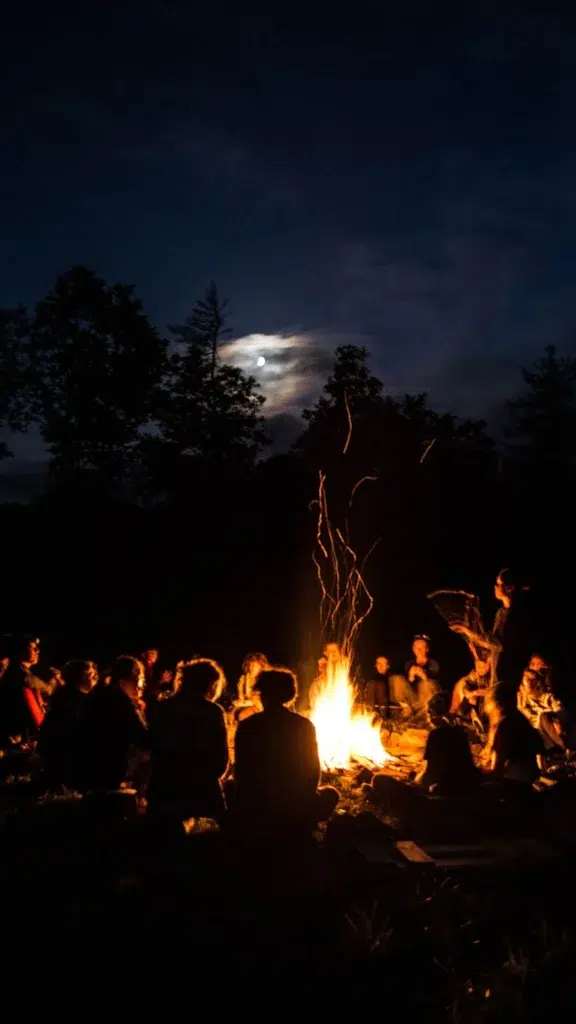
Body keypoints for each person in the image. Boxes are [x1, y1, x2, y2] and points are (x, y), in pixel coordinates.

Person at [231, 667, 338, 835]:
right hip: (295, 803)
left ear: (261, 694)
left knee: (229, 788)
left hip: (258, 803)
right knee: (331, 793)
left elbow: (241, 770)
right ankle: (301, 821)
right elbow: (312, 769)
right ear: (290, 695)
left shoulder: (247, 725)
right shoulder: (304, 725)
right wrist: (306, 798)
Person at [148, 658, 229, 822]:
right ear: (210, 684)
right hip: (202, 789)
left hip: (166, 788)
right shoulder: (212, 711)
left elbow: (155, 746)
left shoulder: (164, 707)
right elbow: (221, 757)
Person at [82, 655, 149, 791]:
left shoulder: (97, 694)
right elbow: (142, 738)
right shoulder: (122, 702)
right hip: (109, 766)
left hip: (86, 764)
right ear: (127, 679)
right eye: (140, 680)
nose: (142, 686)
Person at [38, 659, 98, 789]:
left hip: (59, 758)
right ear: (83, 677)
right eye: (93, 676)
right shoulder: (77, 701)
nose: (96, 680)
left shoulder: (64, 695)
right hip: (67, 762)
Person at [415, 692, 481, 795]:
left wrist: (415, 781)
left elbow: (428, 770)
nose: (428, 717)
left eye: (429, 713)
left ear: (434, 714)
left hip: (445, 786)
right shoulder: (461, 733)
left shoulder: (435, 734)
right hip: (466, 784)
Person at [483, 682, 544, 786]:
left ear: (496, 704)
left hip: (516, 782)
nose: (486, 707)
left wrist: (478, 773)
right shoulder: (519, 718)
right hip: (529, 776)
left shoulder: (503, 726)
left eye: (487, 702)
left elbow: (498, 769)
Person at [517, 665, 574, 753]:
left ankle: (566, 749)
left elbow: (560, 710)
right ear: (522, 686)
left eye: (535, 679)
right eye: (529, 680)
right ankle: (565, 749)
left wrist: (554, 718)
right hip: (540, 735)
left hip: (558, 728)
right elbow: (531, 720)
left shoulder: (547, 697)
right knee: (542, 717)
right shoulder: (521, 702)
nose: (535, 682)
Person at [389, 635, 440, 718]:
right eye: (416, 647)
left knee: (426, 684)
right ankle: (406, 708)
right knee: (396, 678)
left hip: (426, 700)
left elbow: (432, 686)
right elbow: (408, 684)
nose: (418, 650)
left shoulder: (433, 664)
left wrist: (422, 674)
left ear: (427, 649)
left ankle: (425, 714)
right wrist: (411, 676)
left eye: (421, 647)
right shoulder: (409, 664)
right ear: (413, 649)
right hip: (414, 699)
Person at [450, 657, 492, 725]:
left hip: (483, 709)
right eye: (478, 667)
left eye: (481, 667)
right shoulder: (470, 678)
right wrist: (476, 692)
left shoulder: (489, 677)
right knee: (471, 699)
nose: (479, 670)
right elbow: (467, 692)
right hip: (466, 710)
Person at [235, 652, 270, 722]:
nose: (252, 668)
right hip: (246, 706)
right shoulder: (244, 678)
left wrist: (243, 703)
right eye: (251, 665)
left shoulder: (263, 680)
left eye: (255, 666)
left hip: (260, 708)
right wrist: (239, 691)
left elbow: (258, 702)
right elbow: (241, 697)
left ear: (261, 667)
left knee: (241, 715)